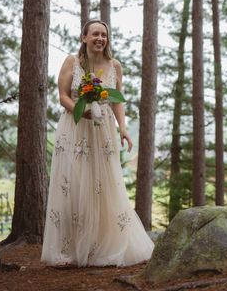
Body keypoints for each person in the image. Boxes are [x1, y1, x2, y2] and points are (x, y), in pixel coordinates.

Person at [41, 19, 154, 267]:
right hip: (74, 129)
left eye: (104, 34)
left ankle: (100, 245)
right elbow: (62, 96)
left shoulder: (115, 66)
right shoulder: (73, 62)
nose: (100, 38)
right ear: (84, 38)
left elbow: (117, 101)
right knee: (74, 186)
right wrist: (82, 111)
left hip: (103, 132)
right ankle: (71, 250)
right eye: (95, 34)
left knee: (103, 187)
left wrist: (123, 128)